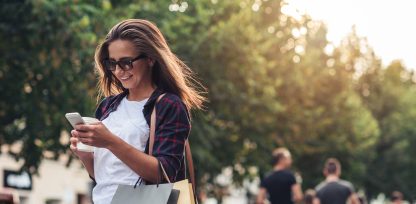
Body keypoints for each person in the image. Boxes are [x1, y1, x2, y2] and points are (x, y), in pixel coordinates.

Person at [69, 19, 205, 204]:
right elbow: (105, 176)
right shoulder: (107, 106)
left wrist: (110, 142)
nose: (118, 71)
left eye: (126, 62)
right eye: (112, 63)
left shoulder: (168, 105)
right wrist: (85, 156)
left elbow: (164, 174)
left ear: (150, 58)